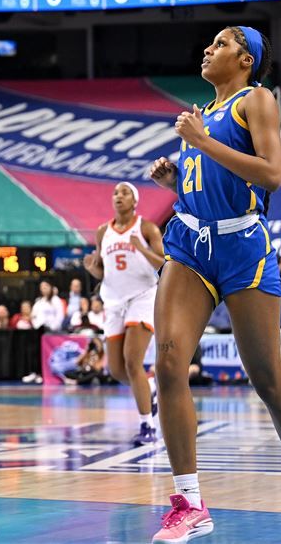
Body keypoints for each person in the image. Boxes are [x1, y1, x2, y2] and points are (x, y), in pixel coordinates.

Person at [148, 26, 281, 543]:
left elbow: (270, 175)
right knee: (170, 359)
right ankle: (189, 502)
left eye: (220, 43)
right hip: (189, 241)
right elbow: (215, 183)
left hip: (243, 246)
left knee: (267, 379)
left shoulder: (257, 100)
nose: (208, 48)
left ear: (246, 59)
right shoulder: (202, 114)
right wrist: (176, 183)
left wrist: (200, 143)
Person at [82, 181, 165, 446]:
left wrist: (141, 249)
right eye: (116, 193)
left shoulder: (146, 228)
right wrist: (92, 269)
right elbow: (102, 271)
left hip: (142, 297)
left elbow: (164, 264)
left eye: (125, 192)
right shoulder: (102, 231)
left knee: (132, 361)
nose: (119, 196)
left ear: (135, 200)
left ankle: (147, 425)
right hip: (114, 301)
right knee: (117, 371)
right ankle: (150, 389)